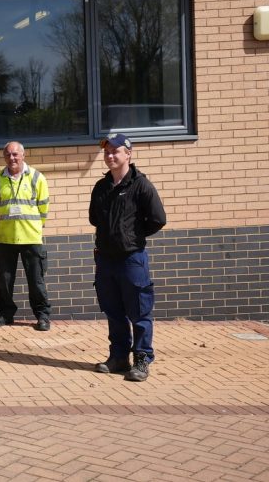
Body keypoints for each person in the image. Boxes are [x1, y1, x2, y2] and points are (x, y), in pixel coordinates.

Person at [89, 134, 166, 382]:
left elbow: (158, 219)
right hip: (105, 260)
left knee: (139, 312)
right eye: (107, 152)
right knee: (114, 312)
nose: (110, 155)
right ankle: (119, 357)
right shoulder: (101, 187)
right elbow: (94, 219)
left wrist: (132, 237)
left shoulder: (141, 185)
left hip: (132, 259)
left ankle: (142, 360)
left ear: (128, 154)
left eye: (116, 151)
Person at [0, 141, 52, 331]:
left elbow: (44, 207)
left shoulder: (36, 177)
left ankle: (42, 316)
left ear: (23, 155)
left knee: (36, 280)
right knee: (6, 281)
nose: (12, 158)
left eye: (15, 154)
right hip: (6, 238)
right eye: (8, 155)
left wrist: (33, 226)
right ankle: (6, 314)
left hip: (31, 237)